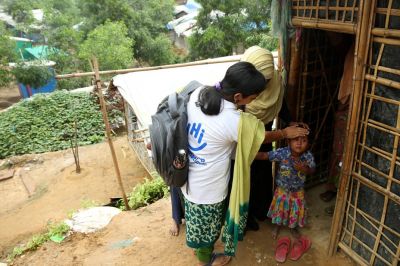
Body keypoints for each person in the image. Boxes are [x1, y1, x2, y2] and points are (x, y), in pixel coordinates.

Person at [181, 61, 309, 266]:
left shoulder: (199, 93)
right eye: (253, 97)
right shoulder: (233, 120)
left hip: (188, 177)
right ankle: (206, 261)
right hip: (210, 188)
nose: (254, 100)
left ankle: (202, 254)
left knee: (199, 223)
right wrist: (285, 132)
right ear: (238, 97)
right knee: (209, 229)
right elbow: (260, 136)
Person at [241, 46, 293, 231]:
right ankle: (245, 218)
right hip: (244, 142)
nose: (263, 86)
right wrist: (285, 133)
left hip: (266, 139)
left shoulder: (276, 82)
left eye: (267, 80)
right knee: (244, 178)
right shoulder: (240, 90)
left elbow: (281, 104)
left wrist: (291, 122)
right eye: (261, 81)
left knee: (263, 176)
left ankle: (263, 210)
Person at [256, 125, 315, 240]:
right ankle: (277, 226)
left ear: (308, 143)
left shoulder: (308, 157)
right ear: (289, 141)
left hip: (297, 191)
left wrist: (304, 169)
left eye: (303, 140)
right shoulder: (283, 153)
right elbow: (265, 155)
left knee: (295, 210)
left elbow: (312, 170)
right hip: (282, 190)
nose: (299, 143)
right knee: (280, 209)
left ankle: (293, 227)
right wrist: (247, 154)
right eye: (296, 140)